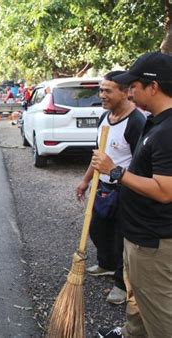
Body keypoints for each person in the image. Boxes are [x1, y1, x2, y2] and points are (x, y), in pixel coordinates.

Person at [93, 52, 172, 338]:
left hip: (153, 241)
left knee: (159, 309)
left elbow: (165, 191)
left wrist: (116, 172)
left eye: (134, 85)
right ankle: (131, 333)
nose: (129, 91)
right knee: (139, 298)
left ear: (154, 87)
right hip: (139, 234)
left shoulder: (167, 131)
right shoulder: (155, 122)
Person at [76, 71, 145, 306]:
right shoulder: (104, 118)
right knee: (97, 227)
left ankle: (121, 283)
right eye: (101, 90)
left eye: (108, 90)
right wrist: (85, 181)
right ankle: (105, 263)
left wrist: (127, 183)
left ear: (125, 92)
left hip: (126, 189)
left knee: (121, 239)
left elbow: (142, 164)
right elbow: (98, 155)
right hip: (102, 185)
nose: (102, 95)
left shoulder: (136, 122)